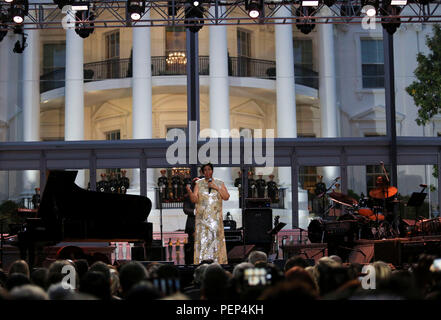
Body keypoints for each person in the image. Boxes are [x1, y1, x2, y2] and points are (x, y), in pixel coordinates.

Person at [186, 163, 230, 265]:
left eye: (209, 169)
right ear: (202, 172)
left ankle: (218, 263)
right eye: (205, 170)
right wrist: (189, 191)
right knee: (203, 242)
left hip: (215, 220)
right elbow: (194, 199)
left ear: (212, 171)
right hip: (202, 220)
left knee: (215, 241)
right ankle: (201, 263)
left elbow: (226, 197)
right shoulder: (198, 183)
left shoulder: (219, 183)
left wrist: (216, 188)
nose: (207, 172)